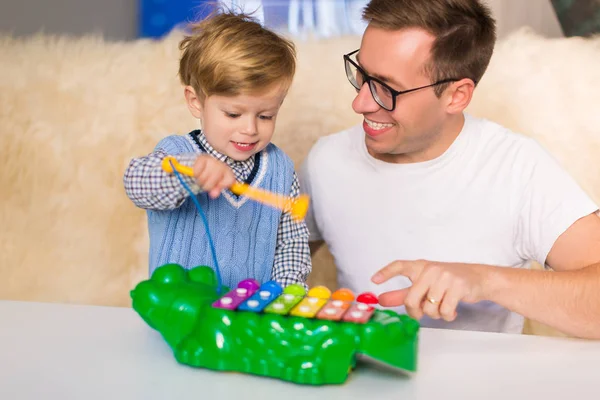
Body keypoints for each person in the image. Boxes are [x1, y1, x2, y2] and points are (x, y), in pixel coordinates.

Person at [300, 0, 600, 338]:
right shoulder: (326, 161)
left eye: (387, 88)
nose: (360, 103)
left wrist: (485, 281)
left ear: (456, 96)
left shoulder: (517, 167)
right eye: (362, 74)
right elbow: (269, 269)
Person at [123, 9, 311, 290]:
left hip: (247, 314)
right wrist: (190, 172)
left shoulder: (280, 169)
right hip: (180, 309)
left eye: (265, 116)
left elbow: (291, 246)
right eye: (233, 114)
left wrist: (282, 296)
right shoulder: (175, 153)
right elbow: (136, 183)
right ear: (196, 101)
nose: (250, 129)